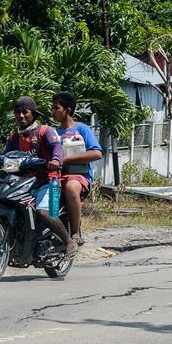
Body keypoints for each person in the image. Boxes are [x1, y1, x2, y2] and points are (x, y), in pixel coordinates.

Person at [0, 96, 76, 256]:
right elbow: (5, 154)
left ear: (33, 114)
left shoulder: (45, 131)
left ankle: (69, 242)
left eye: (25, 112)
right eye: (17, 112)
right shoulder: (14, 137)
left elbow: (57, 147)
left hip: (49, 181)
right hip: (23, 183)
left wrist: (56, 159)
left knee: (43, 212)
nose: (21, 116)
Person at [51, 91, 103, 246]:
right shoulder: (52, 132)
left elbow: (97, 153)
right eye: (52, 108)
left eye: (56, 108)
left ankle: (75, 231)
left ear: (67, 110)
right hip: (56, 175)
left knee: (71, 187)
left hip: (78, 176)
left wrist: (65, 160)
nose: (53, 112)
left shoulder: (82, 129)